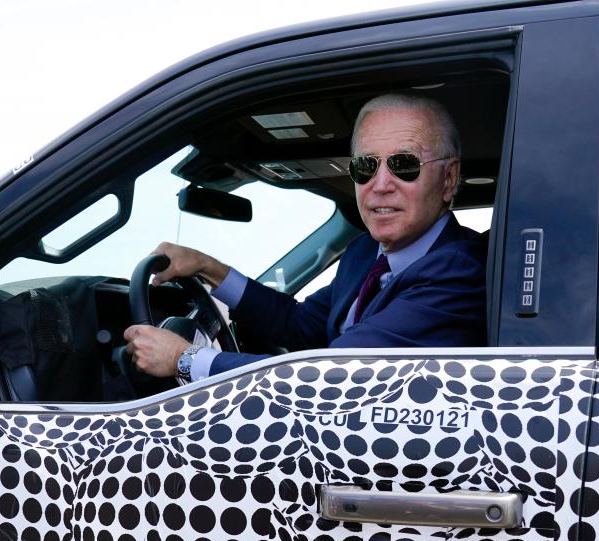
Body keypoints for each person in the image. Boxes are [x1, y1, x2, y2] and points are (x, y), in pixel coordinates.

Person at [122, 93, 486, 383]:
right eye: (366, 166)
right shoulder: (365, 253)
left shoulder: (458, 271)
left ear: (449, 179)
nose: (381, 185)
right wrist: (209, 268)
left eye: (404, 164)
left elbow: (328, 376)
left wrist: (184, 360)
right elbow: (299, 325)